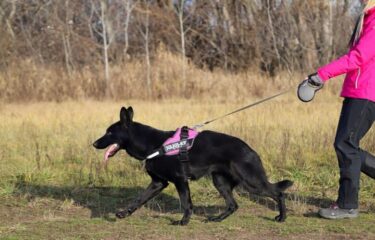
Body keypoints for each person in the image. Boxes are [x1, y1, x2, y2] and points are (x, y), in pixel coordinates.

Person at [301, 0, 375, 219]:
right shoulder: (368, 18)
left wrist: (322, 74)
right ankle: (347, 204)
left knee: (345, 145)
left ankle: (347, 206)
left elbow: (359, 57)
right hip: (358, 91)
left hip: (366, 92)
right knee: (346, 145)